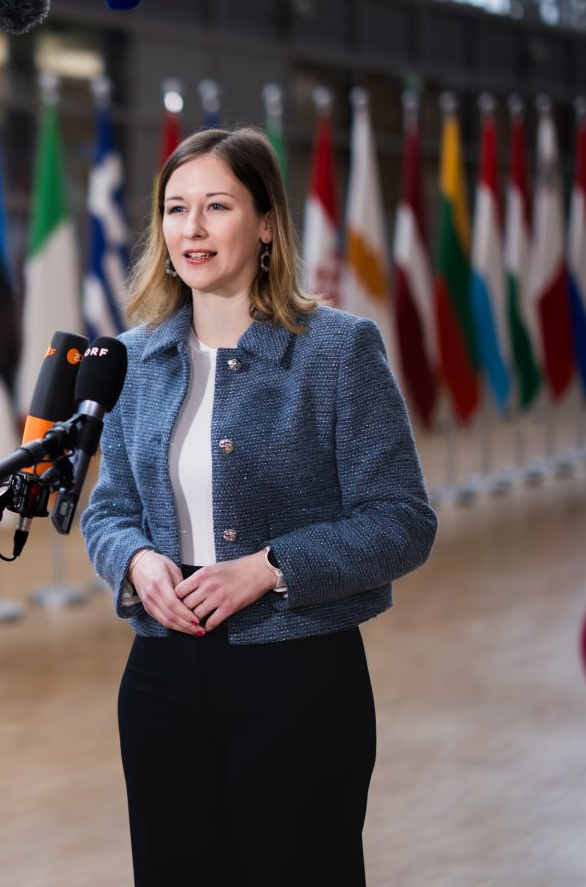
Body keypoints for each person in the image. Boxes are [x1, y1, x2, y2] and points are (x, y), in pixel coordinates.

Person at [81, 126, 437, 886]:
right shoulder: (132, 360)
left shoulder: (338, 351)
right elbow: (109, 511)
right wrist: (137, 562)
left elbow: (403, 520)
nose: (193, 229)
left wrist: (270, 569)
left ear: (267, 223)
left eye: (217, 206)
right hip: (161, 679)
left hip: (299, 677)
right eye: (176, 209)